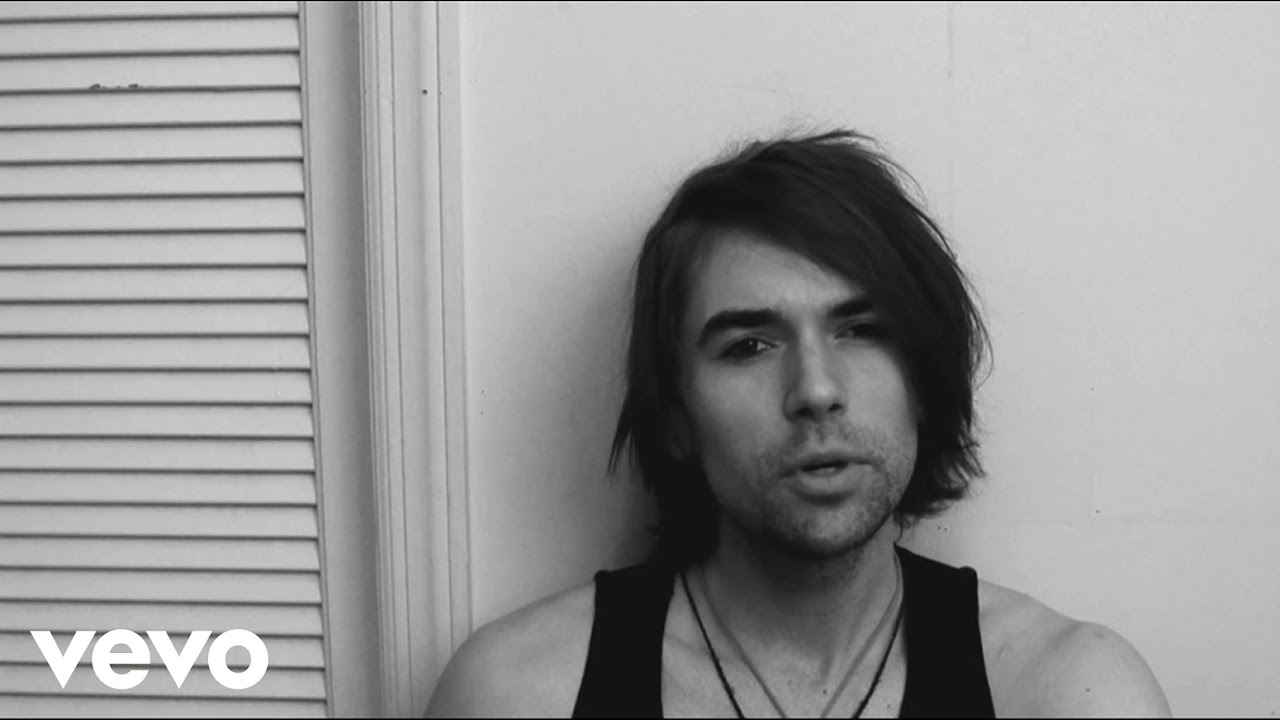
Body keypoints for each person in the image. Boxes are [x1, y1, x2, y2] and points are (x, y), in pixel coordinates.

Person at [425, 129, 1171, 717]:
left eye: (863, 330)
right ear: (677, 415)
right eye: (749, 346)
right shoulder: (519, 695)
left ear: (923, 378)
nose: (815, 389)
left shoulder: (1071, 692)